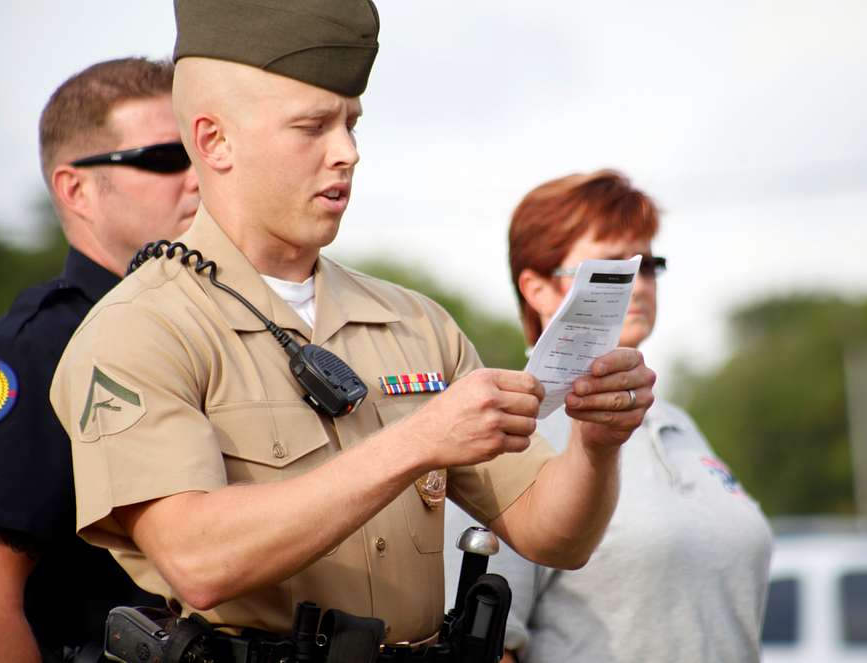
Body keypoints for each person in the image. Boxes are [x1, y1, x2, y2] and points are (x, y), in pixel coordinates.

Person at [48, 1, 656, 654]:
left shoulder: (416, 322)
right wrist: (416, 441)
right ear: (214, 140)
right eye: (311, 126)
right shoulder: (139, 329)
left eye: (351, 123)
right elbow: (199, 561)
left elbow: (553, 534)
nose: (347, 153)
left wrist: (597, 444)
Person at [0, 57, 200, 662]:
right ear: (75, 189)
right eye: (164, 158)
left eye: (203, 154)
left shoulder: (203, 330)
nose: (198, 178)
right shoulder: (34, 350)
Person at [444, 170, 774, 662]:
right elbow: (486, 641)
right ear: (537, 288)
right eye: (611, 268)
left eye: (648, 264)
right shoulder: (510, 427)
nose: (638, 285)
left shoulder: (680, 423)